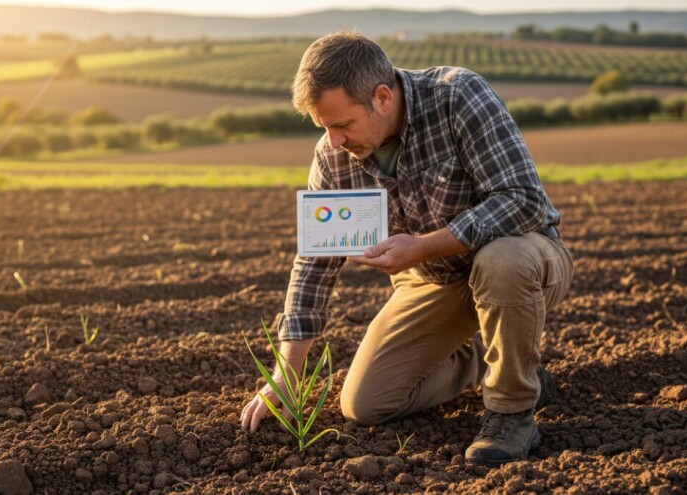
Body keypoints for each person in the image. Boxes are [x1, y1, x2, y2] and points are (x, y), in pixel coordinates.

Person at [240, 31, 573, 466]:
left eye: (342, 125)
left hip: (525, 258)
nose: (333, 140)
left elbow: (523, 200)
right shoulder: (333, 156)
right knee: (366, 403)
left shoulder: (459, 97)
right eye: (324, 127)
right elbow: (316, 259)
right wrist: (286, 371)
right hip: (433, 280)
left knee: (501, 260)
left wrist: (421, 247)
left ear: (382, 97)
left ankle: (512, 412)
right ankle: (491, 359)